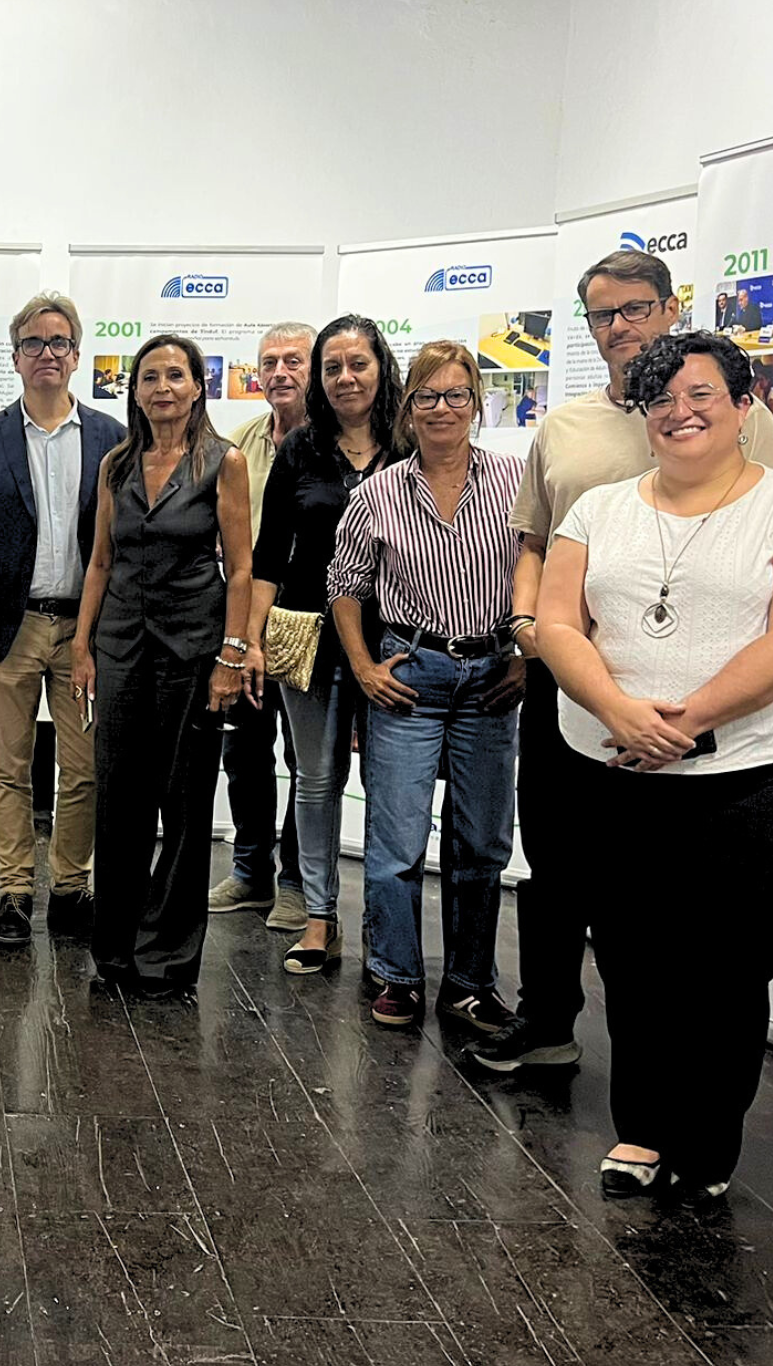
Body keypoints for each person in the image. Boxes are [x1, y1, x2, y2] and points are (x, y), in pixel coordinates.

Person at [537, 329, 773, 1200]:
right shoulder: (598, 510)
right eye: (661, 400)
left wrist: (689, 720)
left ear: (743, 406)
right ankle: (642, 1128)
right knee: (631, 958)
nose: (680, 413)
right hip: (611, 769)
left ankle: (707, 1143)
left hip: (750, 778)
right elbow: (557, 623)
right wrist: (618, 712)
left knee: (726, 967)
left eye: (701, 394)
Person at [469, 249, 773, 1074]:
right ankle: (547, 1022)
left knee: (655, 886)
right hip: (570, 674)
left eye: (637, 308)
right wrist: (527, 622)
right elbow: (533, 540)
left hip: (692, 691)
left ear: (671, 307)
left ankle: (654, 1063)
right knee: (554, 857)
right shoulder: (564, 427)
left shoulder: (737, 415)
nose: (620, 326)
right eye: (603, 314)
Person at [329, 341, 526, 1031]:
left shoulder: (515, 482)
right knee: (396, 843)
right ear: (407, 407)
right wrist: (363, 667)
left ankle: (469, 984)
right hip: (411, 675)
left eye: (457, 394)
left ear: (477, 403)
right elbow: (345, 588)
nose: (443, 408)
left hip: (492, 677)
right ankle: (398, 975)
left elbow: (543, 573)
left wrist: (526, 659)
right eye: (427, 396)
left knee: (482, 844)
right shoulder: (377, 493)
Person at [0, 293, 125, 946]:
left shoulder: (111, 437)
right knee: (8, 769)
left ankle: (70, 889)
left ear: (76, 355)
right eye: (32, 343)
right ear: (15, 357)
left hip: (85, 633)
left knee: (84, 770)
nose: (45, 353)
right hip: (9, 629)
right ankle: (15, 892)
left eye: (58, 342)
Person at [75, 336, 251, 995]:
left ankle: (169, 958)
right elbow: (100, 561)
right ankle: (116, 950)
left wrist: (232, 655)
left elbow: (241, 569)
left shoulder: (223, 462)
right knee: (118, 799)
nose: (162, 388)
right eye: (149, 377)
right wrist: (82, 646)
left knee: (184, 802)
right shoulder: (116, 463)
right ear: (135, 390)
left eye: (175, 375)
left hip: (193, 650)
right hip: (121, 645)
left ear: (198, 386)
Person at [242, 315, 404, 975]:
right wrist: (251, 640)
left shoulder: (410, 444)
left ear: (381, 369)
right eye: (333, 367)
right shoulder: (300, 450)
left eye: (357, 364)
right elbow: (267, 556)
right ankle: (318, 918)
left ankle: (385, 932)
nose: (345, 378)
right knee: (314, 782)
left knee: (389, 786)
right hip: (307, 636)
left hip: (394, 642)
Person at [209, 323, 313, 930]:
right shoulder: (240, 444)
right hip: (244, 620)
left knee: (307, 760)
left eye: (293, 361)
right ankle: (251, 872)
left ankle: (297, 882)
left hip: (308, 622)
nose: (279, 372)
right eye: (269, 362)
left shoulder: (332, 445)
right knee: (244, 751)